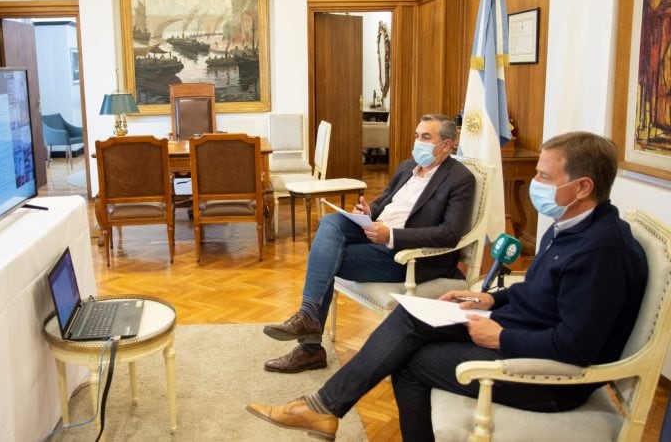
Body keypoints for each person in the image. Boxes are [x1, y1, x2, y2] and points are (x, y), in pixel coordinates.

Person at [247, 131, 648, 441]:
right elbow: (541, 291)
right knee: (410, 316)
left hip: (549, 377)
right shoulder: (571, 226)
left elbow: (576, 347)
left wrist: (501, 335)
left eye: (544, 176)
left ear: (582, 187)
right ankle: (323, 406)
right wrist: (491, 296)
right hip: (520, 326)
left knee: (408, 361)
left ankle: (323, 407)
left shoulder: (603, 252)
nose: (535, 183)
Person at [262, 114, 476, 373]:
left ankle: (310, 348)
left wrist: (392, 235)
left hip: (405, 256)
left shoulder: (460, 178)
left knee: (324, 257)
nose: (418, 142)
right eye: (417, 135)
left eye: (426, 137)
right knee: (330, 224)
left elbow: (449, 233)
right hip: (374, 234)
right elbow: (384, 201)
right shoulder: (408, 167)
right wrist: (368, 212)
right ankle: (308, 319)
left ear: (447, 145)